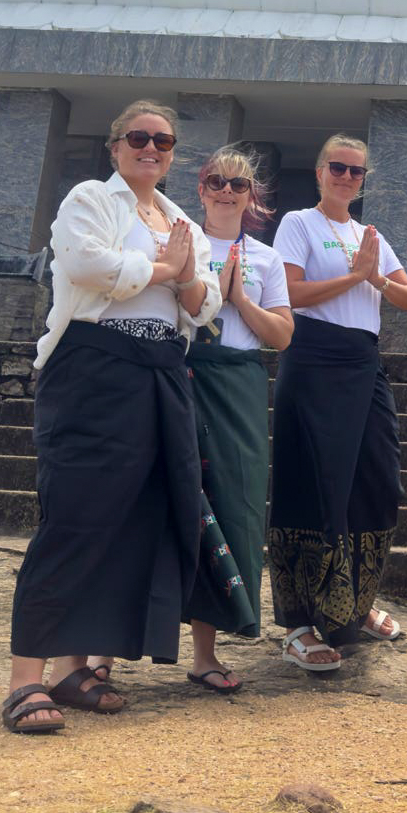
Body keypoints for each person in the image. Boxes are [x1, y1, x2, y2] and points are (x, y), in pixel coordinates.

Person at [2, 100, 220, 737]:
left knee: (132, 518)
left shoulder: (182, 220)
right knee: (76, 515)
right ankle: (23, 680)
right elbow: (86, 265)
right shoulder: (90, 199)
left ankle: (74, 669)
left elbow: (205, 304)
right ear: (116, 145)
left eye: (163, 141)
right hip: (94, 366)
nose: (151, 148)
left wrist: (181, 277)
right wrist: (167, 270)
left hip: (162, 371)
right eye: (139, 138)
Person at [269, 135, 407, 669]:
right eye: (338, 167)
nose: (347, 177)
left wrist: (375, 277)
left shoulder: (368, 235)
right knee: (317, 486)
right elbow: (289, 293)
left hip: (363, 361)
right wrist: (353, 277)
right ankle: (300, 624)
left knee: (378, 481)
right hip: (313, 357)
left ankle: (355, 603)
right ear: (319, 172)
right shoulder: (298, 223)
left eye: (357, 171)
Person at [181, 148, 294, 694]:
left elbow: (282, 335)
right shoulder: (178, 241)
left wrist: (239, 299)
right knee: (161, 497)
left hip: (240, 380)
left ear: (253, 198)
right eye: (217, 181)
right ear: (202, 188)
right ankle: (110, 648)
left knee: (232, 503)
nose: (227, 191)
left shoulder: (267, 259)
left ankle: (205, 654)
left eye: (239, 184)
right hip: (181, 374)